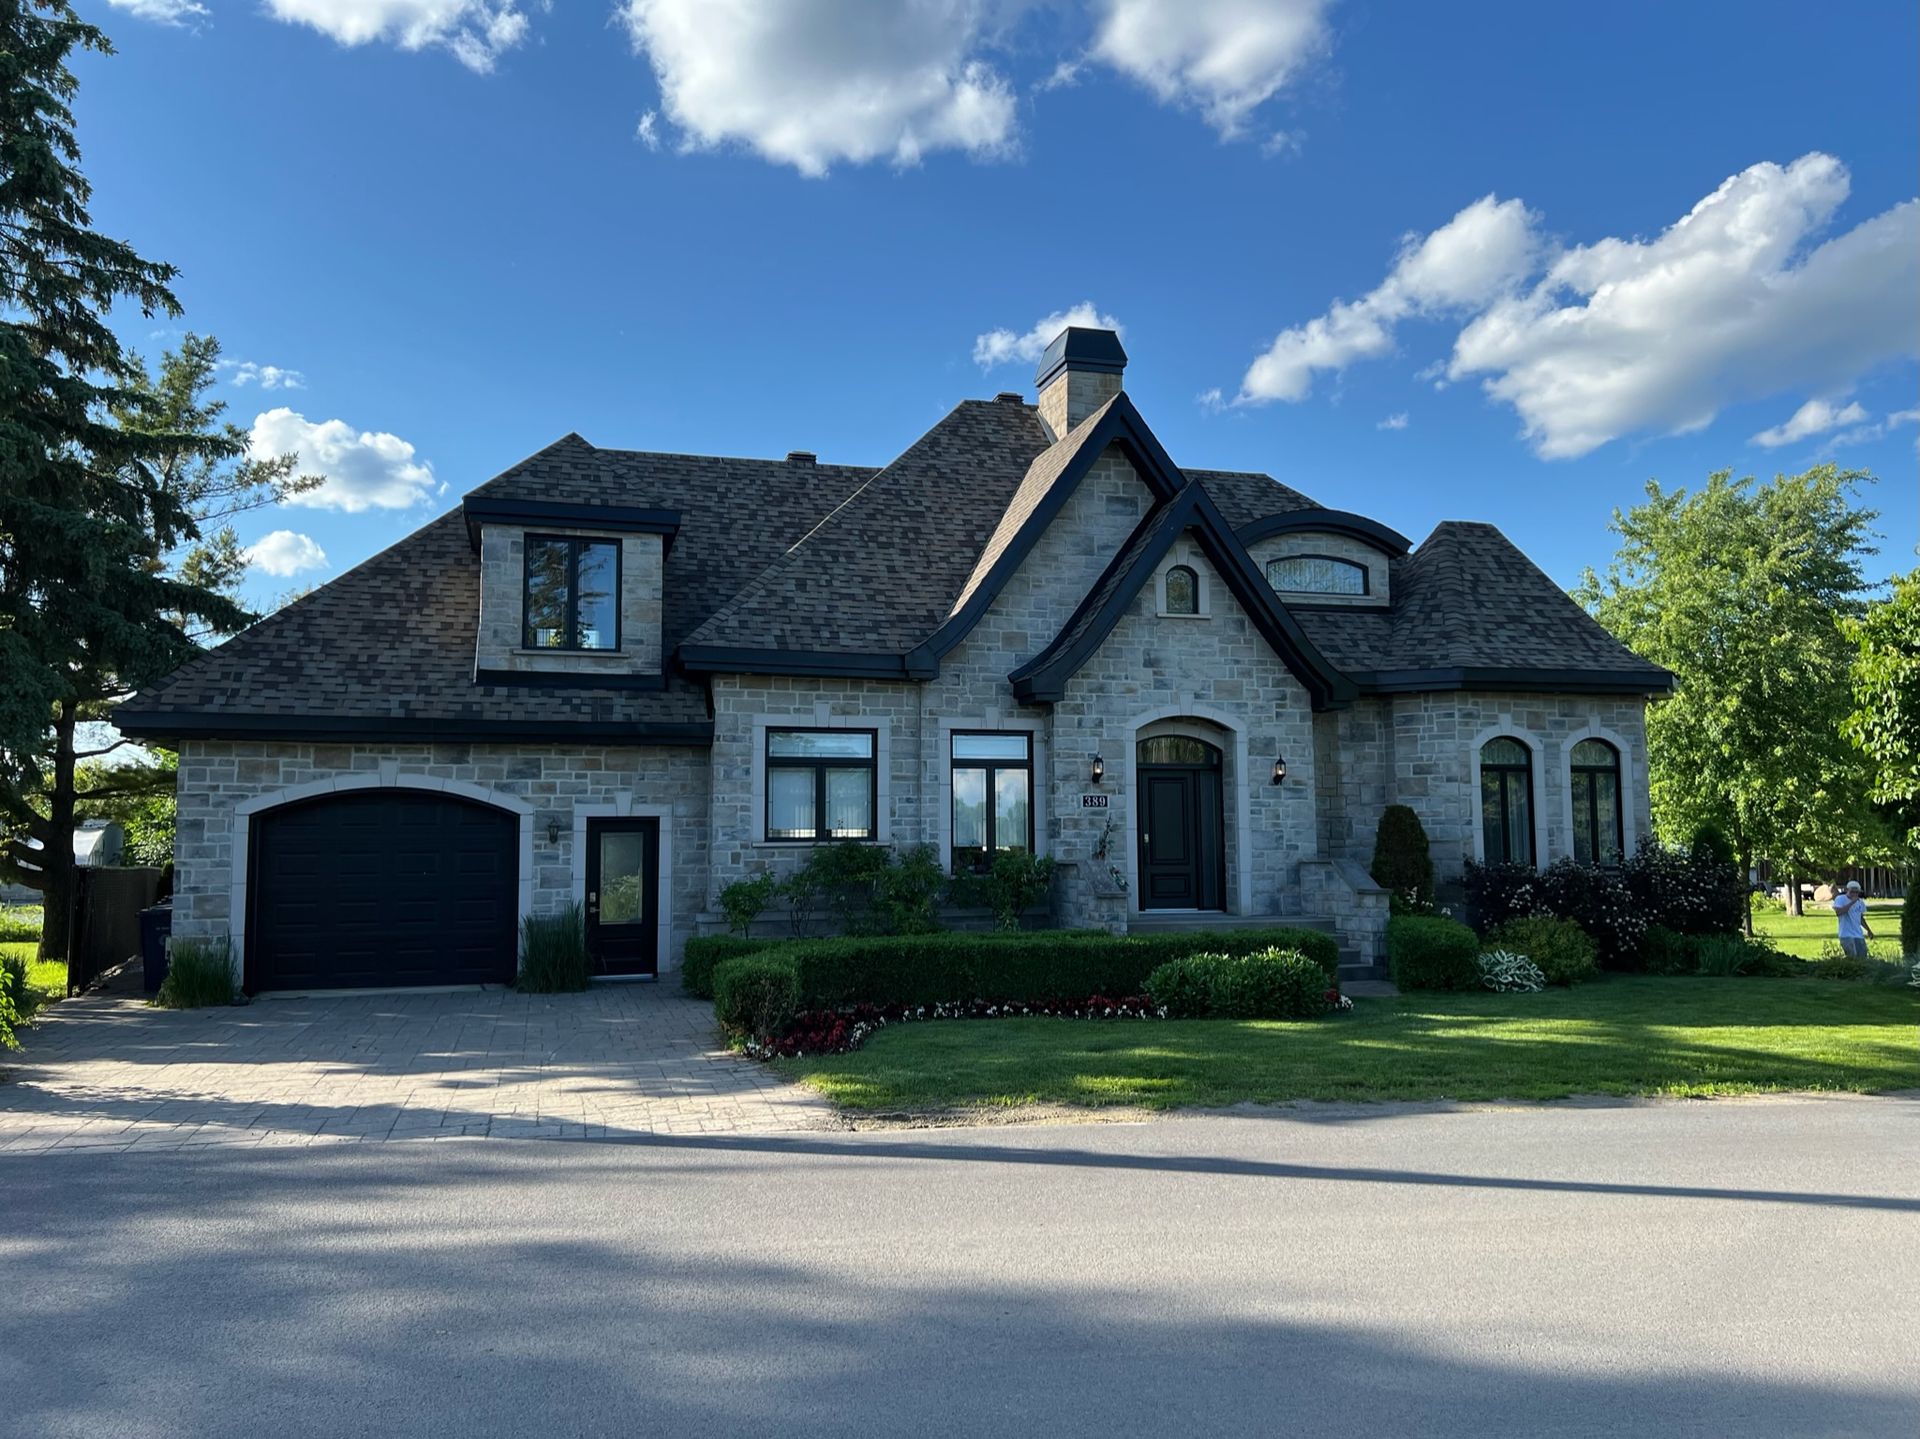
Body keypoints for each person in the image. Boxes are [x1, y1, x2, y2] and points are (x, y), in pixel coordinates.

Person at [1832, 880, 1873, 959]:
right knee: (1852, 957)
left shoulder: (1860, 902)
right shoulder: (1840, 899)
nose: (1854, 894)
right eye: (1852, 892)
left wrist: (1868, 930)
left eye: (1856, 892)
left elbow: (1860, 918)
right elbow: (1839, 913)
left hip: (1858, 934)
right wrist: (1852, 903)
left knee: (1863, 957)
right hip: (1846, 934)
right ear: (1847, 890)